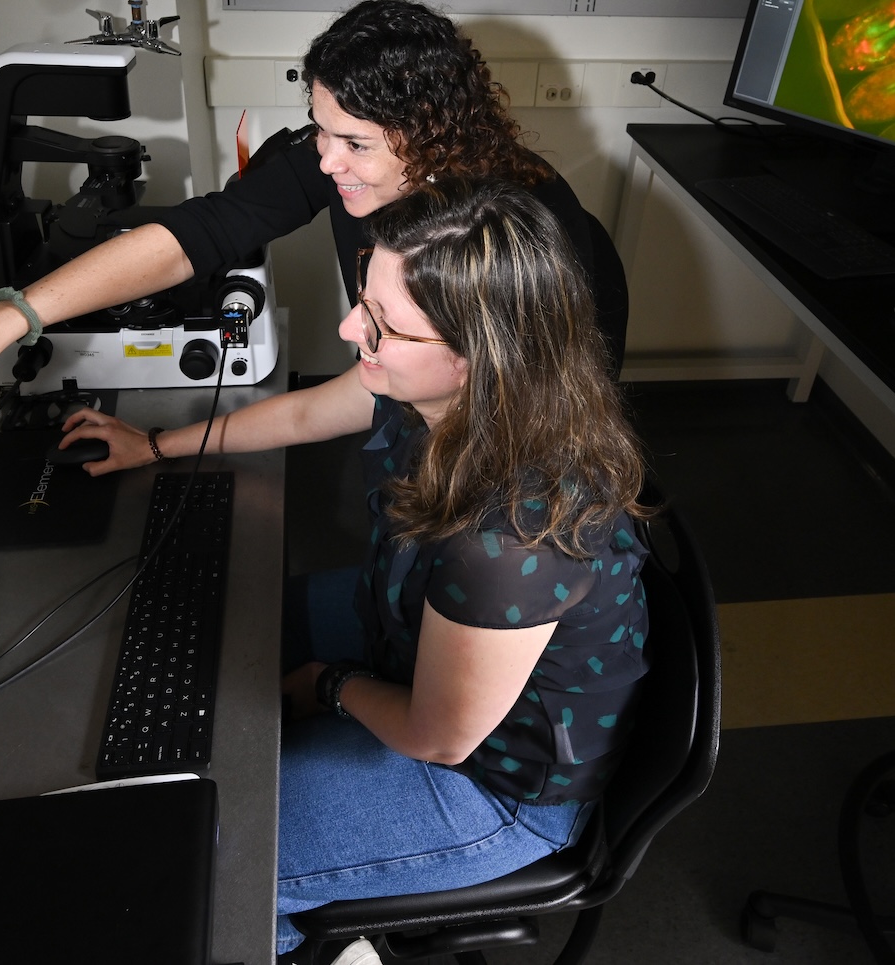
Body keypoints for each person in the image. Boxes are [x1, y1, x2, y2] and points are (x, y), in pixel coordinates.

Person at [55, 183, 655, 959]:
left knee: (210, 861)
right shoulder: (440, 393)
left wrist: (329, 685)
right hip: (415, 623)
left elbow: (439, 736)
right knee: (222, 631)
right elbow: (308, 412)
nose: (349, 328)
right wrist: (157, 443)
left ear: (475, 358)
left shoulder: (510, 542)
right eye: (363, 300)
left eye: (381, 323)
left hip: (497, 783)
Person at [0, 0, 629, 402]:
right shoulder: (340, 157)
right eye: (319, 128)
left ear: (430, 135)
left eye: (353, 143)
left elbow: (534, 433)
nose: (325, 160)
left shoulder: (519, 234)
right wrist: (5, 321)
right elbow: (201, 232)